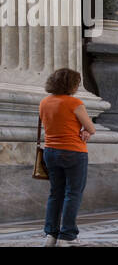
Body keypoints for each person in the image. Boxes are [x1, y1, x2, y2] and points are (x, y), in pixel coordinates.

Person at [39, 68, 95, 245]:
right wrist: (86, 131)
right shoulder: (74, 103)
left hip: (50, 152)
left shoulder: (44, 102)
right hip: (73, 152)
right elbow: (91, 128)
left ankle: (51, 234)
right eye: (77, 83)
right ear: (71, 84)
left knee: (55, 193)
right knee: (73, 193)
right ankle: (67, 235)